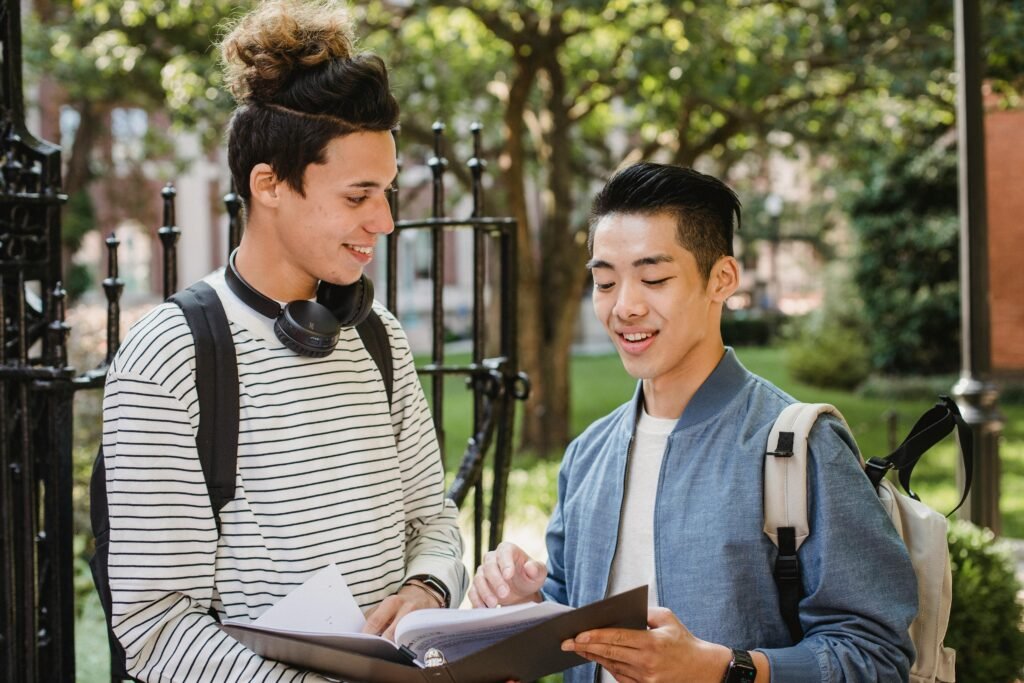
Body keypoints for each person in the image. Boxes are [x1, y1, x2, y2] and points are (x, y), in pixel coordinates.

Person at [100, 1, 466, 680]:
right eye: (359, 197)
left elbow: (434, 524)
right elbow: (156, 626)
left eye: (386, 192)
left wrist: (427, 589)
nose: (384, 221)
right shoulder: (168, 358)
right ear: (268, 183)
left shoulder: (378, 337)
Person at [470, 163, 917, 683]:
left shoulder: (801, 445)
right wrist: (523, 605)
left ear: (721, 279)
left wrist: (724, 668)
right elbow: (569, 620)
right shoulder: (588, 454)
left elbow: (876, 656)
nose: (625, 306)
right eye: (605, 281)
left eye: (654, 278)